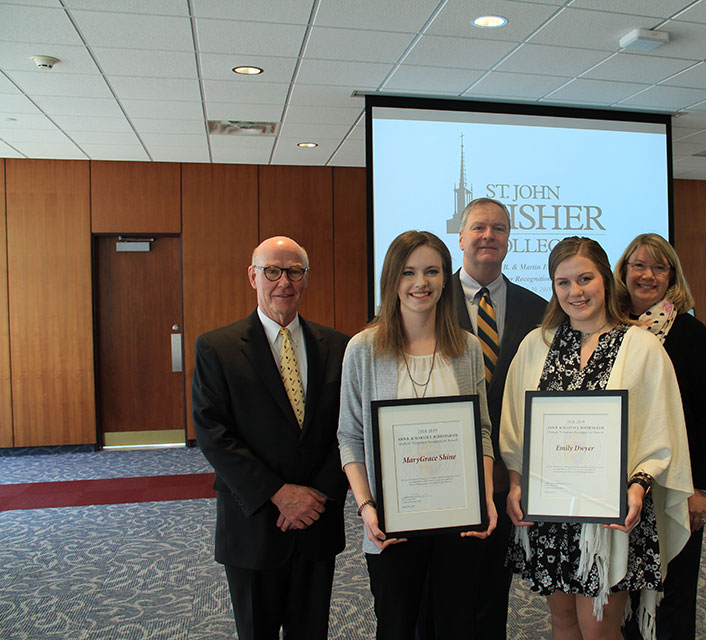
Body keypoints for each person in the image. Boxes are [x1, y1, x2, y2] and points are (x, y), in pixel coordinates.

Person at [500, 236, 693, 640]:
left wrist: (639, 487)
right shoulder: (538, 345)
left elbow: (660, 428)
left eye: (585, 278)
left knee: (598, 628)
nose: (575, 292)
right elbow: (515, 427)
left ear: (605, 278)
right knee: (564, 622)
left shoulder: (640, 346)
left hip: (611, 515)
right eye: (563, 282)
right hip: (550, 511)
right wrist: (516, 482)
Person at [338, 230, 498, 640]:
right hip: (392, 523)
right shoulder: (363, 349)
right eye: (408, 272)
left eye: (431, 271)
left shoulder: (466, 348)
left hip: (457, 521)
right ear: (392, 280)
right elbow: (350, 437)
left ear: (446, 279)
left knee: (456, 626)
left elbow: (480, 429)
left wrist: (484, 497)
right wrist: (366, 507)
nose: (420, 283)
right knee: (396, 626)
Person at [192, 236, 350, 640]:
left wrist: (316, 496)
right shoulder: (218, 347)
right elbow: (213, 433)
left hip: (317, 520)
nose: (284, 282)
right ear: (253, 276)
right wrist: (279, 493)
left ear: (306, 278)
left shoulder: (338, 346)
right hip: (254, 523)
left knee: (311, 632)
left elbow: (348, 429)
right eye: (272, 271)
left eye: (295, 271)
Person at [613, 233, 706, 640]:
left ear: (671, 276)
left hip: (676, 484)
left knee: (672, 588)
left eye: (659, 267)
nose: (647, 275)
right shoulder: (609, 328)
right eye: (638, 265)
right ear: (623, 271)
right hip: (621, 482)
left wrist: (703, 489)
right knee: (620, 583)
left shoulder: (689, 333)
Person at [450, 197, 547, 638]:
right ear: (461, 236)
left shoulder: (540, 309)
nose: (488, 235)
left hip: (508, 474)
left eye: (499, 228)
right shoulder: (429, 299)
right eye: (478, 227)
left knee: (493, 592)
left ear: (509, 239)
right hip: (444, 471)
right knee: (445, 592)